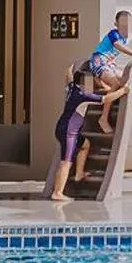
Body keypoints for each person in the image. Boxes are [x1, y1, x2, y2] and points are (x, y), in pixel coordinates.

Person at [47, 66, 105, 202]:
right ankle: (57, 193)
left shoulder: (72, 88)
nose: (92, 85)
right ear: (84, 84)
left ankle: (79, 174)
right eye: (90, 82)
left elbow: (68, 76)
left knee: (85, 145)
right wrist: (123, 91)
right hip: (69, 132)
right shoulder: (83, 95)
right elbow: (106, 99)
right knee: (66, 162)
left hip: (62, 127)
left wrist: (71, 66)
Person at [89, 9, 132, 132]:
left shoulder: (124, 39)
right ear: (116, 25)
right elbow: (117, 46)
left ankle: (104, 84)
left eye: (129, 26)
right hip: (98, 60)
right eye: (123, 25)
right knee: (116, 83)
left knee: (124, 79)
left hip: (108, 63)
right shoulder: (113, 34)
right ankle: (103, 118)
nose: (126, 29)